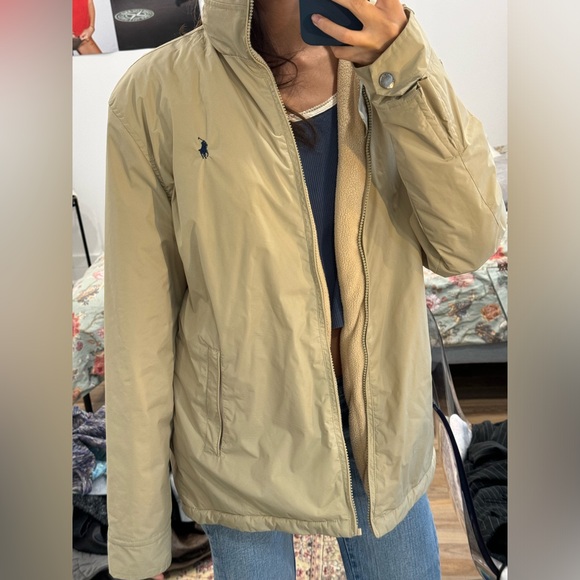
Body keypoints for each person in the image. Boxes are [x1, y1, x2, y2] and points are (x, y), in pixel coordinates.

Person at [104, 0, 507, 579]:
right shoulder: (155, 93)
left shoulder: (391, 63)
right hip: (239, 446)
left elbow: (467, 242)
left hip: (380, 425)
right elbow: (139, 329)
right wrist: (139, 539)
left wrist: (401, 64)